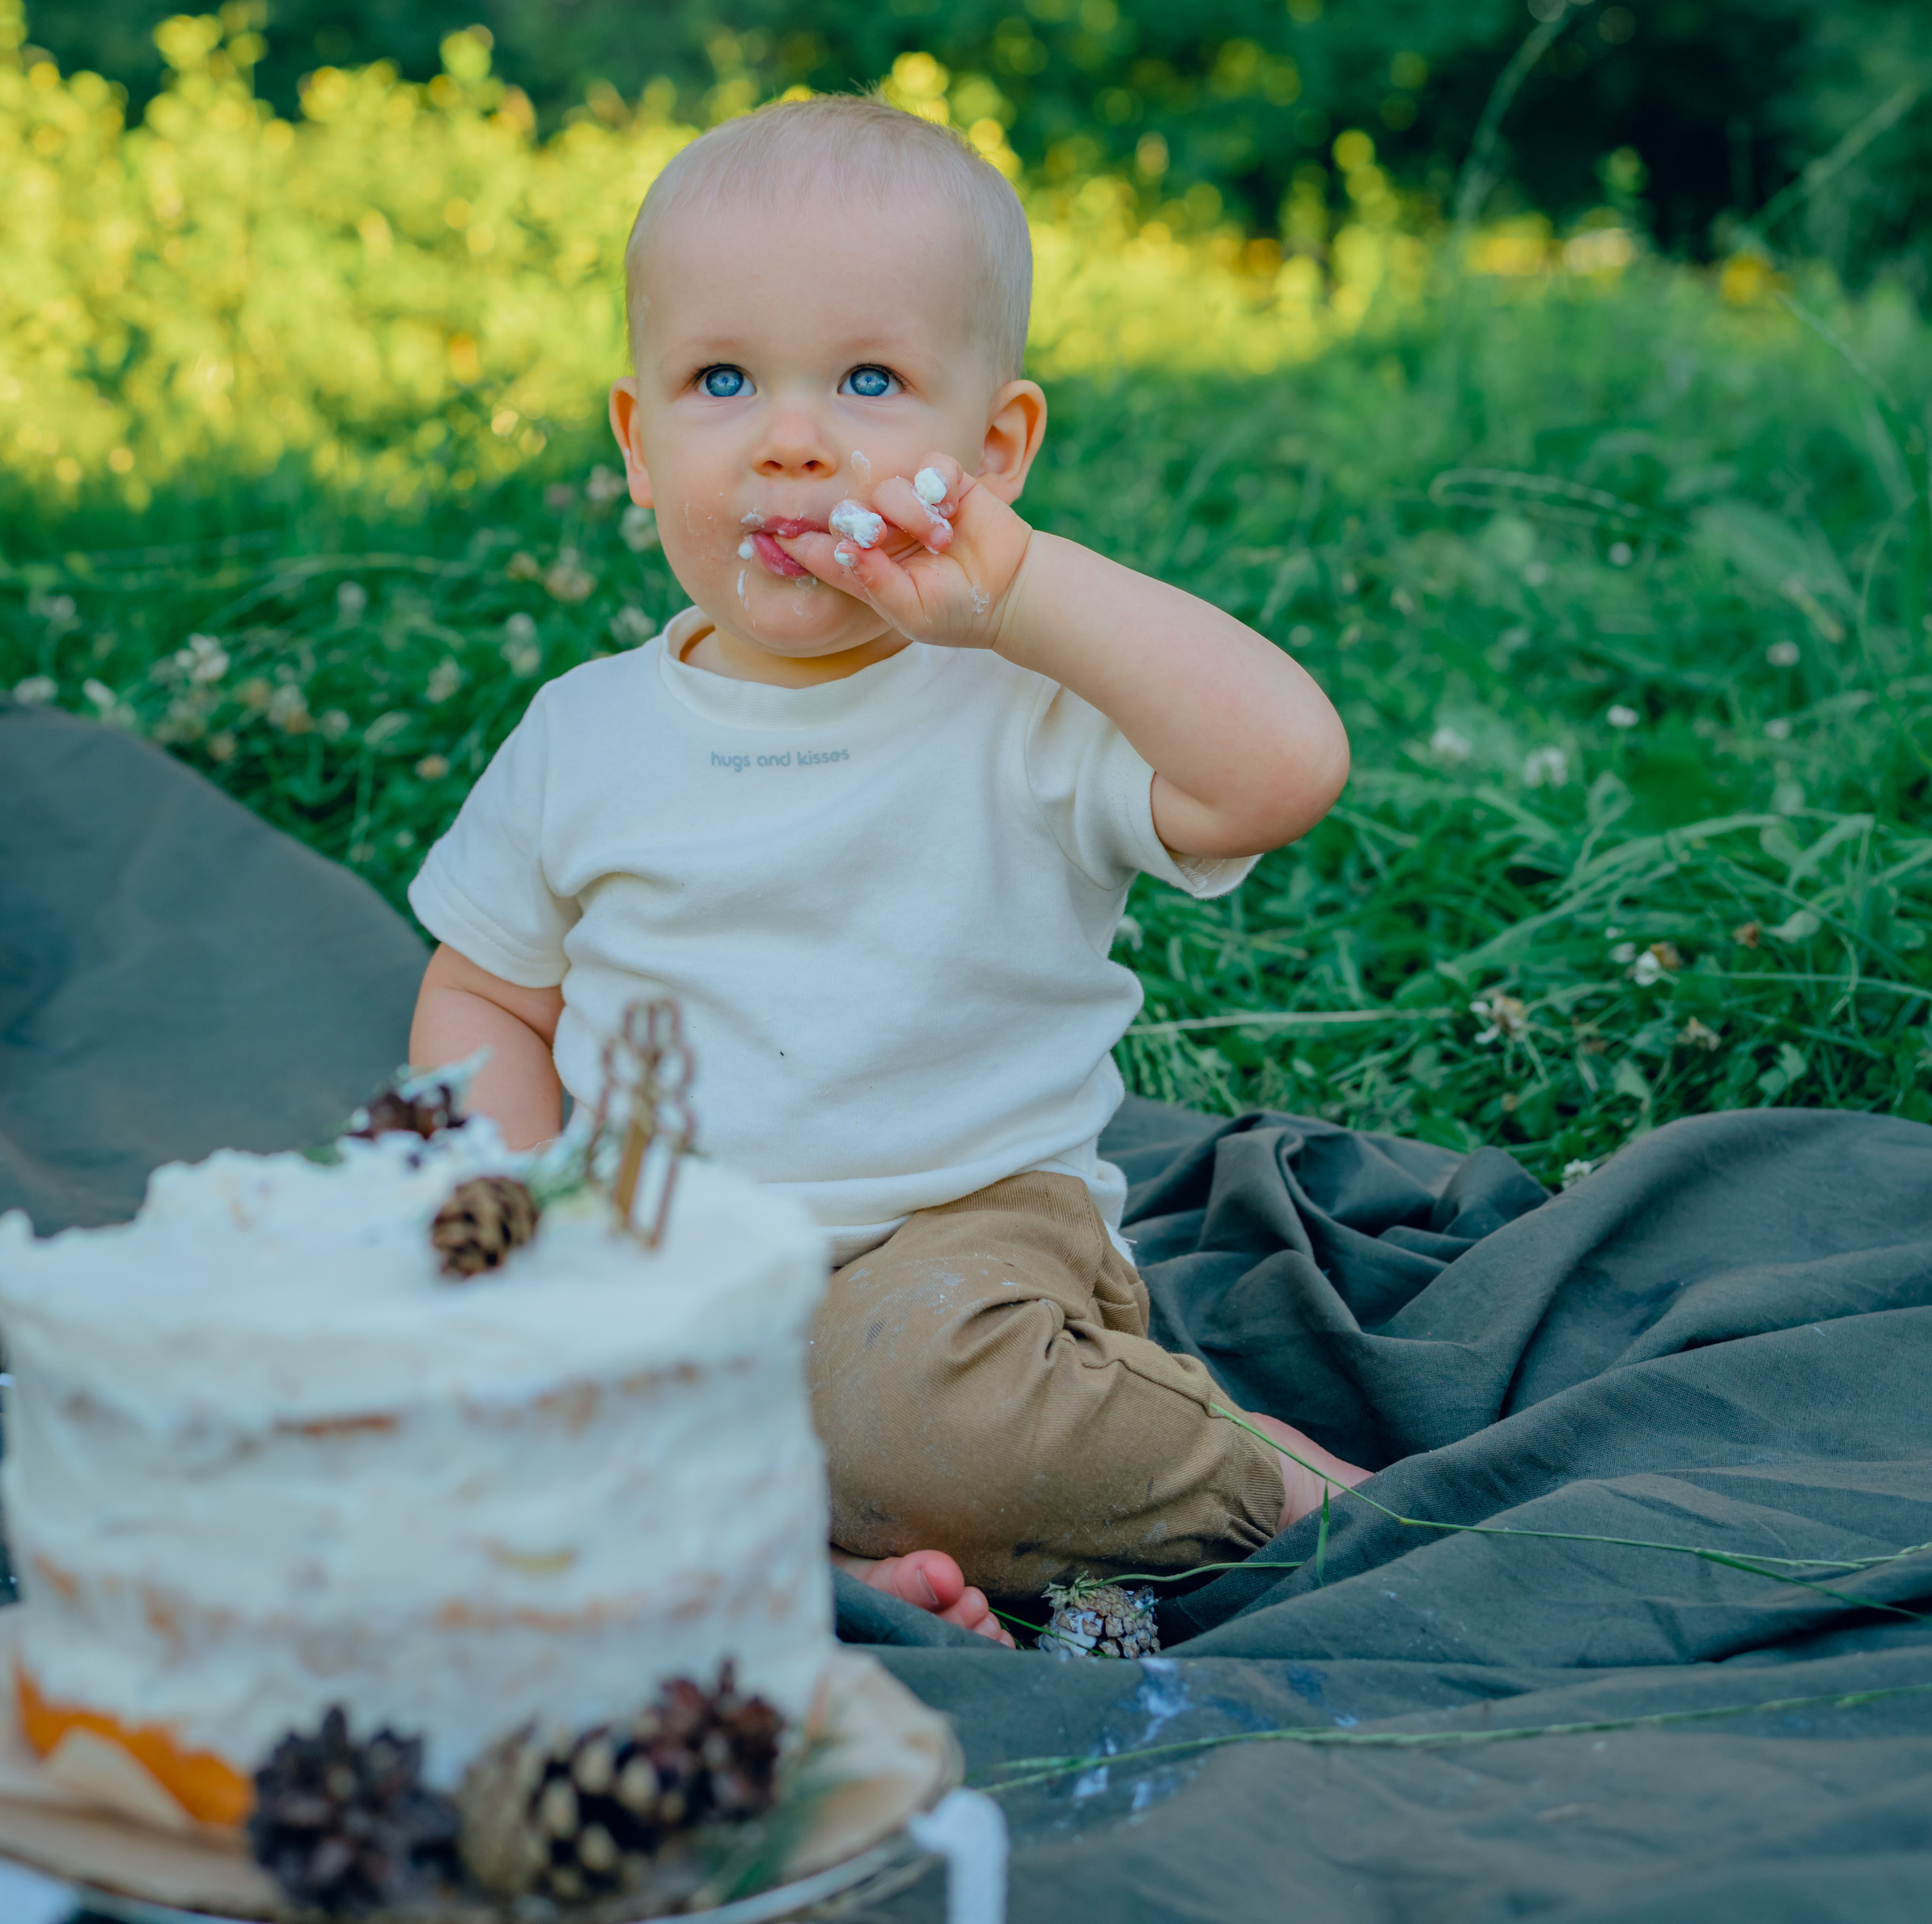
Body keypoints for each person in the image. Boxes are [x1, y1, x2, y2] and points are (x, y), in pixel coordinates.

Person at [407, 95, 1362, 1642]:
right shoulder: (583, 737)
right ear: (640, 445)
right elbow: (486, 999)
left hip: (960, 1246)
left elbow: (1284, 771)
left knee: (923, 1406)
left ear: (994, 450)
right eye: (723, 379)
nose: (792, 435)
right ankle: (822, 1575)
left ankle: (1279, 1484)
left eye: (869, 378)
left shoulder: (1025, 709)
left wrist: (1028, 594)